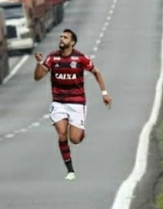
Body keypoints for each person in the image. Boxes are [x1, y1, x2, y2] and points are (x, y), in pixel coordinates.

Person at [33, 28, 112, 181]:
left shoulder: (80, 58)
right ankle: (70, 170)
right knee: (62, 133)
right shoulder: (52, 58)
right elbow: (38, 77)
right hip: (59, 103)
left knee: (74, 139)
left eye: (65, 37)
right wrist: (38, 63)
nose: (61, 39)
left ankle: (80, 132)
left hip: (77, 103)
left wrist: (104, 93)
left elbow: (96, 72)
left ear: (72, 42)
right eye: (61, 37)